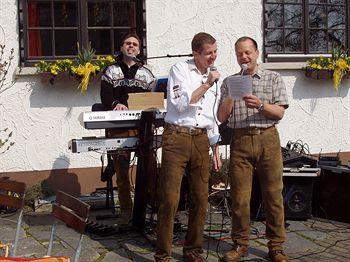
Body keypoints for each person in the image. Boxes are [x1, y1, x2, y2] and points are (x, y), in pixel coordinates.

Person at [217, 36, 289, 262]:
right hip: (240, 140)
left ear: (257, 53)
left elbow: (279, 113)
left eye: (247, 52)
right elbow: (220, 117)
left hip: (267, 138)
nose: (244, 57)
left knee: (273, 195)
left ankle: (276, 247)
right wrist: (230, 97)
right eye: (239, 53)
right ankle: (240, 244)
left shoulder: (273, 77)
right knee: (239, 197)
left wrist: (259, 104)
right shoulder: (230, 81)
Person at [154, 32, 222, 262]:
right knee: (170, 198)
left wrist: (215, 148)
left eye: (215, 51)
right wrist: (206, 84)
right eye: (208, 53)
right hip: (177, 138)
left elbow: (211, 115)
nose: (213, 57)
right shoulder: (180, 70)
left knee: (201, 198)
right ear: (195, 53)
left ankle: (193, 251)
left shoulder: (212, 77)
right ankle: (162, 254)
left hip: (202, 139)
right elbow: (181, 104)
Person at [100, 33, 156, 224]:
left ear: (139, 50)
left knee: (148, 168)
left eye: (134, 44)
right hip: (118, 127)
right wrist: (116, 103)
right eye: (127, 43)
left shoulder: (147, 73)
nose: (131, 47)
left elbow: (153, 99)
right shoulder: (111, 71)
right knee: (122, 172)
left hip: (143, 128)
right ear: (122, 47)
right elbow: (105, 96)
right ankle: (126, 212)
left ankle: (149, 207)